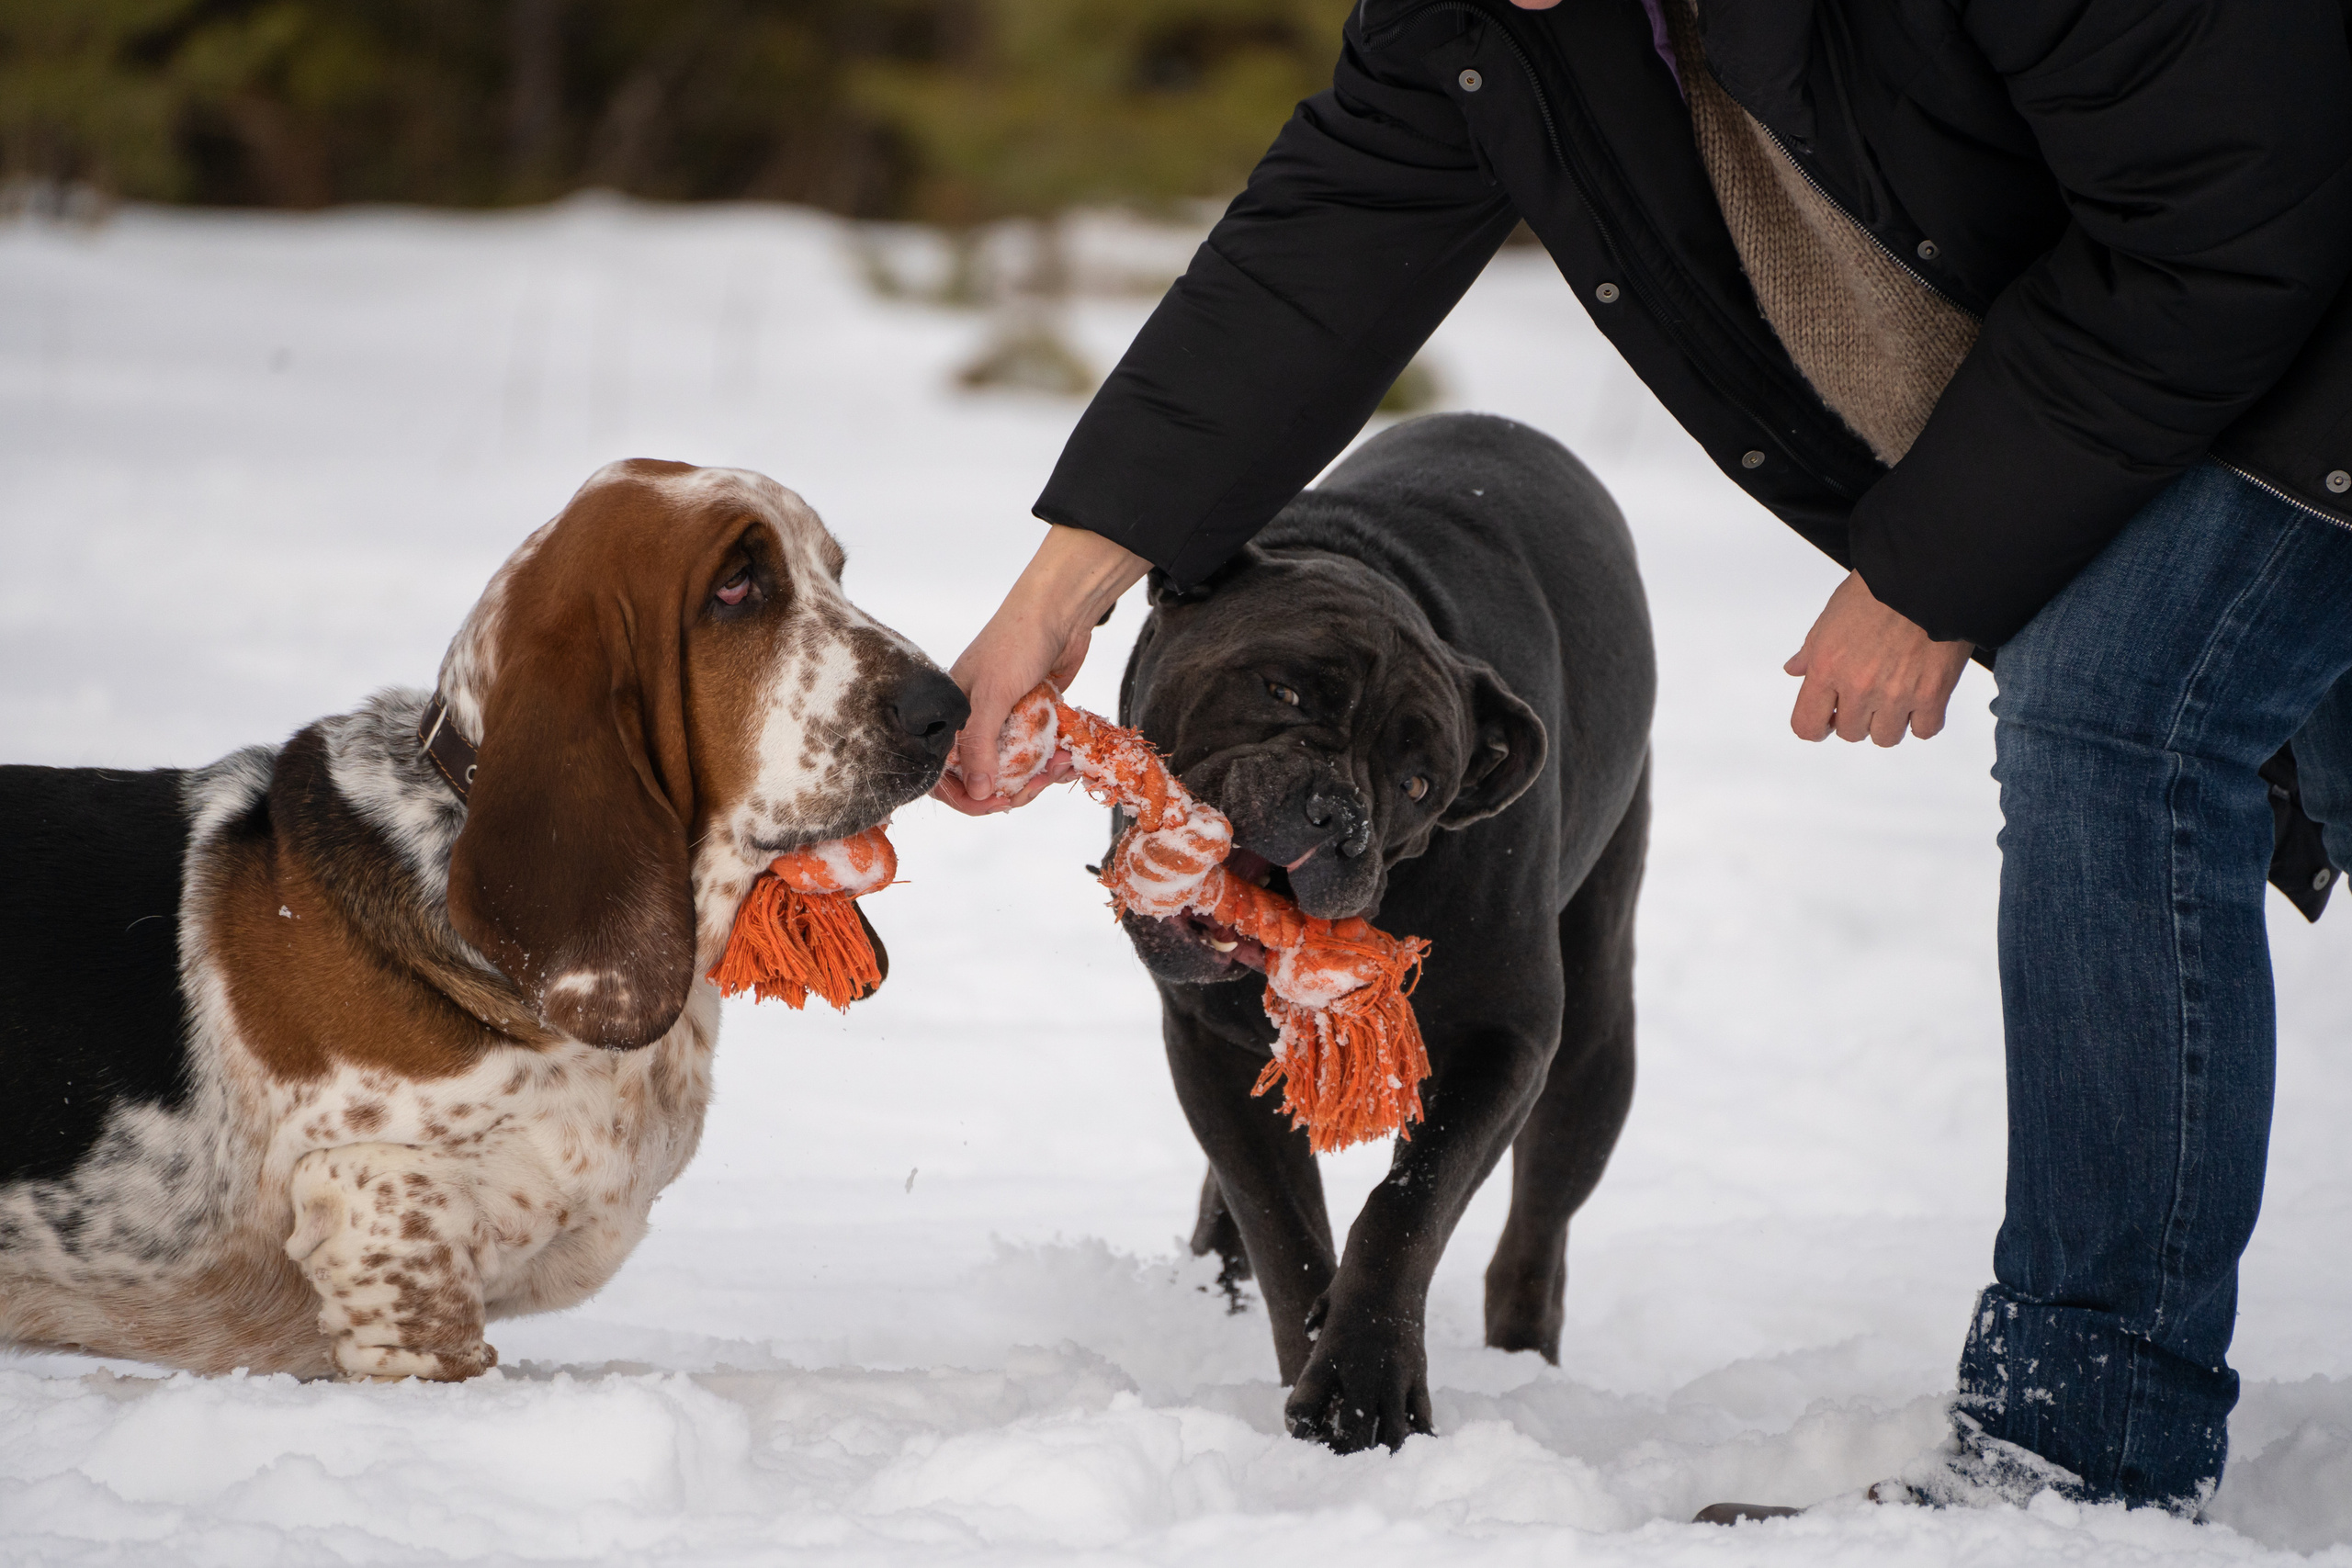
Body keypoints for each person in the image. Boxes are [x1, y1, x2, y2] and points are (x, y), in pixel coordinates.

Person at [932, 0, 2352, 1514]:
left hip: (2285, 304)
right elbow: (1313, 259)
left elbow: (2233, 216)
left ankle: (2085, 1455)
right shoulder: (1484, 16)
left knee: (2118, 711)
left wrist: (1934, 566)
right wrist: (1056, 599)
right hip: (2189, 356)